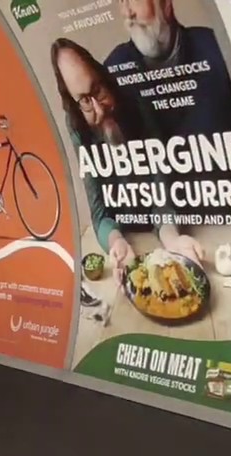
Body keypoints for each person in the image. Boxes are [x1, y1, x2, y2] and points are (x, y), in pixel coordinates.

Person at [51, 38, 204, 282]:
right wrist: (116, 243)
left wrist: (172, 239)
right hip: (126, 234)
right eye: (85, 101)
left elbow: (162, 188)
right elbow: (99, 211)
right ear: (75, 105)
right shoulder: (77, 125)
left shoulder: (135, 101)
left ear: (105, 79)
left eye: (97, 90)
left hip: (163, 227)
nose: (99, 110)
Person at [104, 0, 231, 138]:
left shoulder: (216, 48)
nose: (127, 13)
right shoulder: (114, 68)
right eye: (121, 1)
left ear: (166, 4)